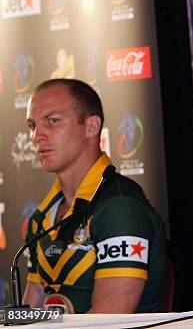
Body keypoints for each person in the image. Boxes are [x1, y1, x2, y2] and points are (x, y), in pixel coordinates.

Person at [23, 79, 167, 313]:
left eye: (53, 121)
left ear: (91, 127)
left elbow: (108, 319)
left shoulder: (120, 207)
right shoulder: (44, 217)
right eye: (32, 125)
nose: (37, 135)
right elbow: (28, 312)